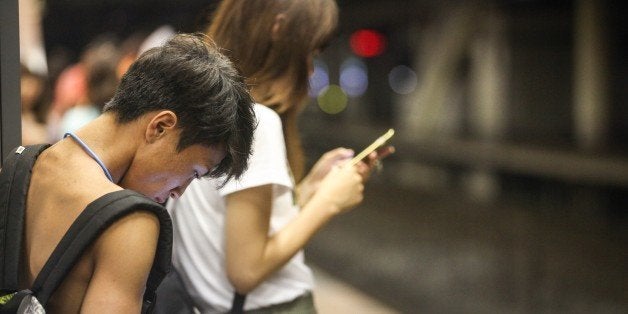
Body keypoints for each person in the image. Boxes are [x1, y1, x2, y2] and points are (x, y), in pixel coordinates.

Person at [166, 1, 394, 312]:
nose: (311, 69)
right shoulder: (257, 122)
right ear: (278, 29)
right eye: (310, 52)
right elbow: (246, 271)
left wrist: (309, 189)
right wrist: (328, 203)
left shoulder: (195, 113)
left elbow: (231, 226)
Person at [2, 33, 256, 313]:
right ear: (160, 127)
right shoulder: (130, 222)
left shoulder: (17, 165)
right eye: (193, 172)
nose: (178, 192)